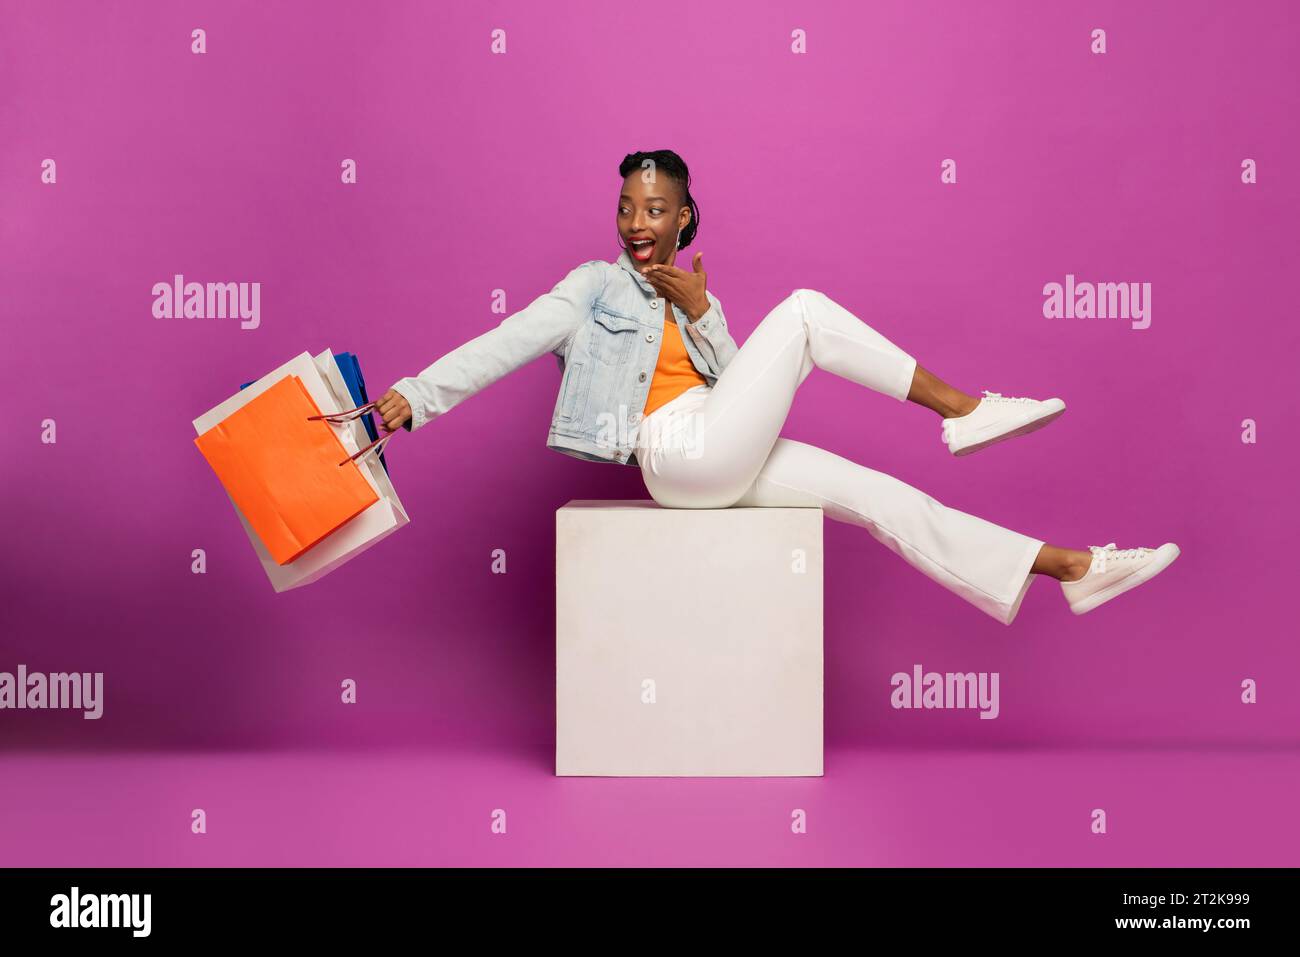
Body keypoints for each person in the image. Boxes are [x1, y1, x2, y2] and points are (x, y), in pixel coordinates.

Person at [374, 150, 1179, 625]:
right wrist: (417, 395)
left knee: (879, 493)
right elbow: (506, 340)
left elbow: (735, 386)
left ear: (685, 217)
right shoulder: (592, 287)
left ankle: (1070, 567)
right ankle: (966, 410)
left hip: (717, 441)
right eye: (624, 207)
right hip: (671, 449)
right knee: (803, 311)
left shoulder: (699, 297)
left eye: (654, 208)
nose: (634, 222)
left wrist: (699, 315)